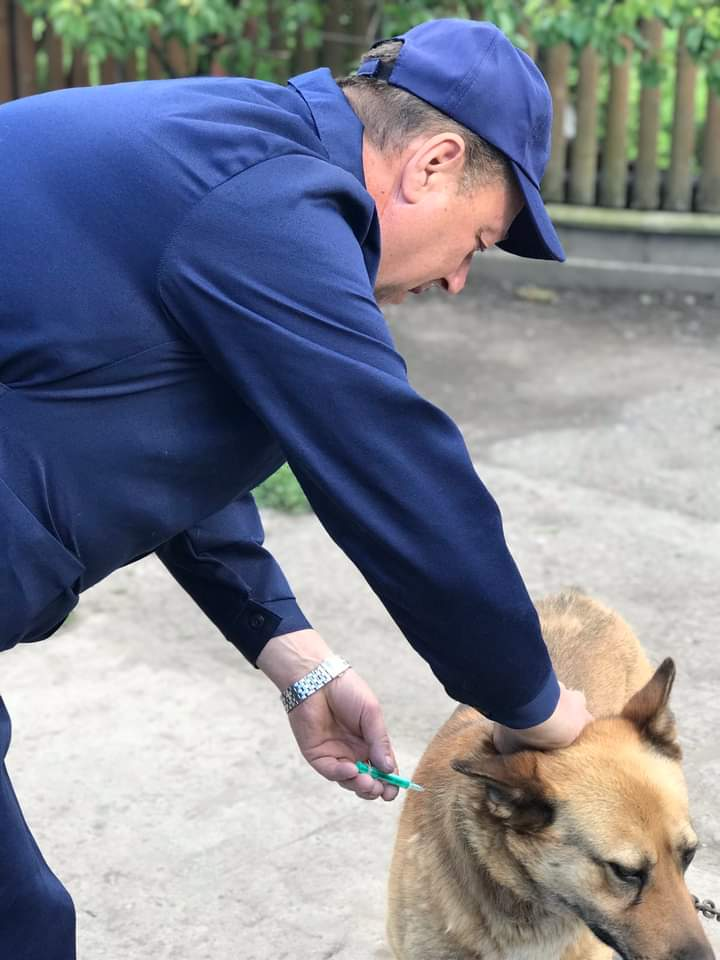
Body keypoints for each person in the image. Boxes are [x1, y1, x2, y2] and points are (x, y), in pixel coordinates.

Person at [0, 16, 592, 958]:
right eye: (478, 241)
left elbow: (168, 434)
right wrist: (543, 709)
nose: (456, 283)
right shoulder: (268, 201)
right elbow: (393, 466)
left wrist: (292, 650)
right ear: (433, 164)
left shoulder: (234, 159)